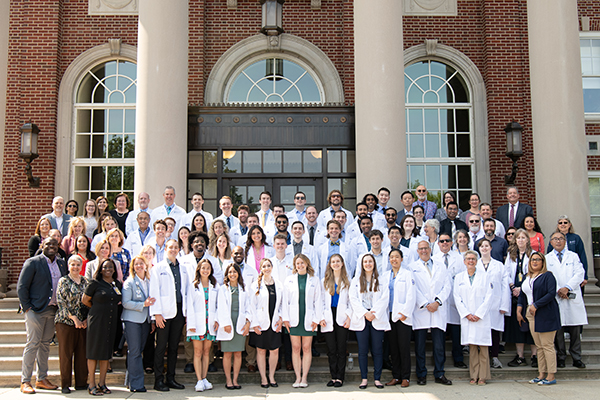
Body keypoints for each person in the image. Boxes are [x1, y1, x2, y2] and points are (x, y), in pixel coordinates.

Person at [17, 238, 67, 394]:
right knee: (33, 344)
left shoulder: (61, 264)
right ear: (42, 246)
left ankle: (42, 379)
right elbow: (21, 287)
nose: (51, 247)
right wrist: (27, 308)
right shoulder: (33, 262)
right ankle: (25, 381)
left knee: (45, 345)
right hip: (35, 310)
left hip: (52, 310)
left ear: (58, 247)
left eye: (54, 245)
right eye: (48, 244)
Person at [149, 239, 190, 391]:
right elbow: (154, 292)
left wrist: (187, 313)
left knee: (173, 347)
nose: (173, 250)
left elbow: (186, 291)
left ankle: (171, 378)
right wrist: (157, 314)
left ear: (179, 249)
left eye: (176, 247)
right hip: (163, 313)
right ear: (165, 248)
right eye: (170, 247)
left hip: (179, 312)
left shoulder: (183, 268)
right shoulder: (158, 268)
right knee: (160, 347)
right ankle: (158, 380)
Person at [410, 240, 452, 386]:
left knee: (439, 346)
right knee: (420, 346)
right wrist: (426, 304)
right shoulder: (412, 268)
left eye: (426, 248)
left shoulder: (441, 265)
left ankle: (439, 374)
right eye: (421, 249)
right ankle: (421, 375)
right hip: (421, 310)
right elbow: (413, 288)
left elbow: (447, 285)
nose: (423, 251)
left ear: (430, 249)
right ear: (417, 251)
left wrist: (438, 302)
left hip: (438, 309)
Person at [545, 231, 588, 369]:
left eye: (561, 239)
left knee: (575, 330)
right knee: (558, 330)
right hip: (556, 296)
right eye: (555, 239)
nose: (558, 241)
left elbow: (579, 273)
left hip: (571, 295)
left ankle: (576, 357)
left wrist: (567, 287)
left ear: (565, 241)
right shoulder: (547, 258)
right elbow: (547, 276)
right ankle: (561, 357)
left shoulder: (573, 256)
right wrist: (558, 289)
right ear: (551, 242)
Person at [517, 252, 561, 385]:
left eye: (538, 259)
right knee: (539, 346)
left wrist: (536, 304)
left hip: (545, 312)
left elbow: (551, 293)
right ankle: (541, 373)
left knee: (547, 345)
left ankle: (551, 375)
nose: (535, 262)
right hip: (530, 313)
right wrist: (519, 309)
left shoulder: (548, 276)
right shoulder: (527, 276)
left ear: (543, 262)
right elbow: (522, 295)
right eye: (532, 260)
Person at [81, 259, 122, 395]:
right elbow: (85, 300)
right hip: (97, 321)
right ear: (100, 269)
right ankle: (91, 384)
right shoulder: (95, 283)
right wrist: (97, 309)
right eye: (105, 267)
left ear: (114, 269)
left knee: (106, 353)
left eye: (110, 267)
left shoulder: (117, 284)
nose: (108, 269)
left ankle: (102, 383)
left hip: (111, 322)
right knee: (93, 353)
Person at [349, 254, 389, 389]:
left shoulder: (381, 280)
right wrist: (364, 313)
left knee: (378, 350)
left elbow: (385, 298)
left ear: (374, 263)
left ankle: (377, 378)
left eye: (370, 261)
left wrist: (374, 313)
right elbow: (353, 299)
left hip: (376, 317)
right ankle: (364, 378)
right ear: (362, 264)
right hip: (362, 317)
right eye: (365, 262)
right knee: (362, 350)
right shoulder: (355, 280)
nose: (368, 264)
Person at [453, 250, 494, 385]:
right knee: (472, 348)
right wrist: (466, 314)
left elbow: (489, 297)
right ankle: (473, 375)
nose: (470, 261)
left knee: (483, 348)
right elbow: (457, 298)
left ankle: (483, 376)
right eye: (468, 259)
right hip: (468, 318)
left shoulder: (485, 276)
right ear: (464, 262)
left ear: (477, 262)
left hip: (481, 317)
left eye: (473, 259)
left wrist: (478, 313)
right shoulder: (459, 277)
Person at [282, 254, 322, 388]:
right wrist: (285, 319)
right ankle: (297, 377)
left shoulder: (314, 280)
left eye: (302, 263)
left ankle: (304, 377)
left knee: (306, 348)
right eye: (297, 263)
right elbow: (285, 302)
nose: (300, 266)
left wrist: (317, 319)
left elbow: (318, 301)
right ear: (294, 265)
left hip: (309, 319)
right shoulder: (289, 280)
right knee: (295, 348)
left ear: (307, 264)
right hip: (293, 319)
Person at [55, 255, 88, 393]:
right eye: (72, 264)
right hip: (65, 322)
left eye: (78, 265)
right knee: (66, 354)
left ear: (81, 267)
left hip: (83, 323)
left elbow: (89, 302)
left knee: (82, 353)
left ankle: (81, 382)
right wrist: (74, 319)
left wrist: (85, 320)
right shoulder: (63, 281)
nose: (75, 267)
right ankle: (65, 384)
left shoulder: (86, 282)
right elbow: (61, 302)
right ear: (68, 266)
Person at [433, 232, 467, 369]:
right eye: (442, 241)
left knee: (456, 332)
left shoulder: (459, 258)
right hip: (440, 300)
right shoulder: (434, 259)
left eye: (447, 240)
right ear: (438, 244)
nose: (445, 243)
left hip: (454, 299)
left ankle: (458, 358)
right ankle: (440, 362)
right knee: (440, 334)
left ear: (452, 243)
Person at [121, 255, 155, 393]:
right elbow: (125, 303)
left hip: (145, 321)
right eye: (136, 264)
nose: (139, 266)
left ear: (146, 265)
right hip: (132, 321)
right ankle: (137, 385)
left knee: (138, 351)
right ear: (133, 267)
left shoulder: (149, 281)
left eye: (141, 263)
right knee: (134, 352)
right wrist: (143, 304)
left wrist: (152, 321)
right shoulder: (129, 282)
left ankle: (130, 380)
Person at [504, 229, 537, 367]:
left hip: (529, 294)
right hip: (515, 295)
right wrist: (512, 287)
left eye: (523, 238)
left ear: (528, 240)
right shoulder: (510, 255)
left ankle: (535, 356)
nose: (521, 240)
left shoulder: (533, 254)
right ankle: (520, 356)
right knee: (517, 326)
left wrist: (522, 287)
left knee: (531, 326)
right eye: (518, 238)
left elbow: (535, 272)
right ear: (515, 240)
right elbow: (506, 273)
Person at [249, 258, 284, 388]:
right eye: (264, 266)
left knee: (274, 351)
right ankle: (263, 378)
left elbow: (281, 304)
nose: (267, 268)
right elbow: (251, 306)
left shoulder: (278, 284)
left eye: (268, 265)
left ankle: (272, 376)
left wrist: (281, 319)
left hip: (274, 323)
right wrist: (255, 324)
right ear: (261, 269)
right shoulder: (255, 285)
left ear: (272, 267)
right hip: (260, 323)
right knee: (261, 351)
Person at [217, 263, 251, 390]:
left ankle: (235, 380)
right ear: (227, 274)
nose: (232, 274)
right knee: (227, 353)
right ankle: (228, 380)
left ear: (238, 274)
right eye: (230, 272)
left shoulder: (244, 289)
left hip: (240, 323)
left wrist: (248, 323)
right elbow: (220, 307)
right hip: (228, 323)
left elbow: (248, 307)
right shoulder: (222, 289)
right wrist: (225, 323)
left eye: (234, 272)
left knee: (238, 353)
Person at [476, 238, 509, 369]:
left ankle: (494, 357)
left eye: (486, 246)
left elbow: (505, 286)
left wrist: (504, 305)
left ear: (491, 248)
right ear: (479, 249)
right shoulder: (475, 265)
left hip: (496, 303)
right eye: (482, 246)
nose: (484, 248)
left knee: (494, 332)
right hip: (479, 304)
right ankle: (481, 359)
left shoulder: (499, 265)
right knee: (480, 331)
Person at [186, 258, 219, 392]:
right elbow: (190, 306)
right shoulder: (194, 285)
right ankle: (199, 380)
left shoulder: (214, 285)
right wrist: (191, 324)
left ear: (211, 271)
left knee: (207, 352)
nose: (205, 270)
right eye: (203, 268)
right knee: (198, 352)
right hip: (197, 323)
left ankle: (205, 378)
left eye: (208, 268)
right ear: (199, 270)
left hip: (209, 323)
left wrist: (217, 319)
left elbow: (217, 305)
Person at [385, 249, 415, 388]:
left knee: (403, 348)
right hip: (389, 316)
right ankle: (396, 376)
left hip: (403, 317)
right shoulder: (386, 276)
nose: (394, 259)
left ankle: (405, 377)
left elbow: (411, 295)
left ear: (402, 259)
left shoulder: (408, 274)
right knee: (393, 348)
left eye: (397, 257)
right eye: (391, 257)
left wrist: (405, 313)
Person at [320, 254, 351, 388]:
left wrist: (349, 317)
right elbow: (319, 301)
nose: (336, 264)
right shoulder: (325, 281)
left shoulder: (348, 281)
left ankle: (340, 377)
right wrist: (320, 317)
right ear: (330, 264)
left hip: (342, 316)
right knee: (331, 349)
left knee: (341, 348)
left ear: (342, 263)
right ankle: (333, 376)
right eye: (333, 262)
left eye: (338, 261)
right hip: (328, 316)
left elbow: (351, 301)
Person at [547, 215, 588, 294]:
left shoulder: (576, 238)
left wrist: (584, 276)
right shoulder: (553, 238)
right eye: (560, 223)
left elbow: (582, 256)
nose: (563, 224)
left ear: (569, 225)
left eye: (565, 222)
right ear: (558, 226)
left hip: (574, 271)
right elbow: (549, 255)